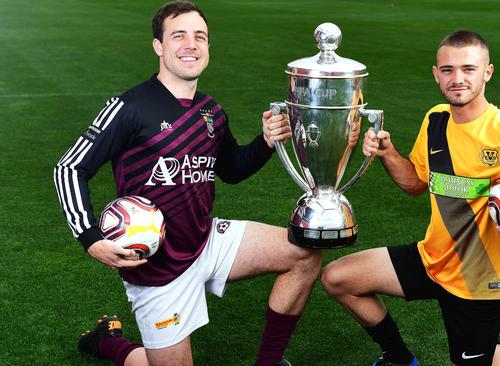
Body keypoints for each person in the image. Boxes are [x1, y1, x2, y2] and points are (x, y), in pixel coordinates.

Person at [53, 1, 322, 365]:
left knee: (304, 252)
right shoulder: (130, 107)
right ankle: (109, 343)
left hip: (205, 239)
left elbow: (231, 170)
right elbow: (70, 168)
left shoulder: (210, 111)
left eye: (200, 37)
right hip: (156, 269)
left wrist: (266, 142)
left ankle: (269, 361)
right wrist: (91, 239)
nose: (191, 44)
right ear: (159, 46)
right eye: (178, 35)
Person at [320, 30, 500, 366]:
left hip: (480, 280)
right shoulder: (436, 119)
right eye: (448, 70)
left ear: (487, 72)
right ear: (436, 74)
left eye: (468, 69)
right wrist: (388, 153)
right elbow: (416, 183)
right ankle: (398, 358)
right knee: (338, 279)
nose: (458, 79)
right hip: (432, 258)